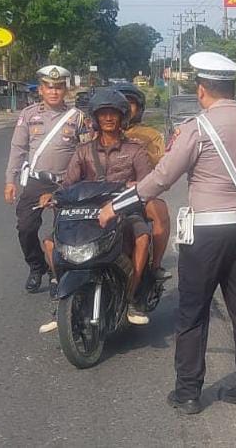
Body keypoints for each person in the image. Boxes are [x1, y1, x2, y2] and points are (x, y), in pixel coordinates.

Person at [98, 52, 236, 416]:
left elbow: (161, 179)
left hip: (207, 232)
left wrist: (116, 206)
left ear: (202, 90)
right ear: (233, 89)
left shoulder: (195, 129)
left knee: (193, 311)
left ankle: (188, 393)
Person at [40, 89, 154, 330]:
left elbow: (148, 184)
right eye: (103, 114)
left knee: (142, 237)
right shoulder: (83, 151)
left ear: (122, 117)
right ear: (96, 118)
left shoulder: (135, 150)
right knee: (50, 242)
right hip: (87, 214)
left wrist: (135, 186)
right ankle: (61, 294)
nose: (109, 118)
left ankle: (132, 297)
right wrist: (53, 196)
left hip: (124, 210)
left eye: (114, 113)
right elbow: (68, 184)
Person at [4, 65, 88, 294]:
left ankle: (57, 270)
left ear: (65, 90)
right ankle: (37, 266)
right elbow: (18, 148)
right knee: (26, 227)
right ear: (40, 89)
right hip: (37, 181)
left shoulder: (78, 117)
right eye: (49, 87)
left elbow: (86, 151)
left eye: (58, 87)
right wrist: (10, 180)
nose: (54, 92)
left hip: (66, 183)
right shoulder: (28, 115)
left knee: (64, 229)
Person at [111, 83, 171, 280]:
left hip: (139, 192)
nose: (125, 108)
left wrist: (137, 149)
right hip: (104, 192)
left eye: (130, 103)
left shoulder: (150, 135)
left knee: (159, 211)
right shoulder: (100, 131)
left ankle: (156, 266)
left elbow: (160, 165)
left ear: (139, 108)